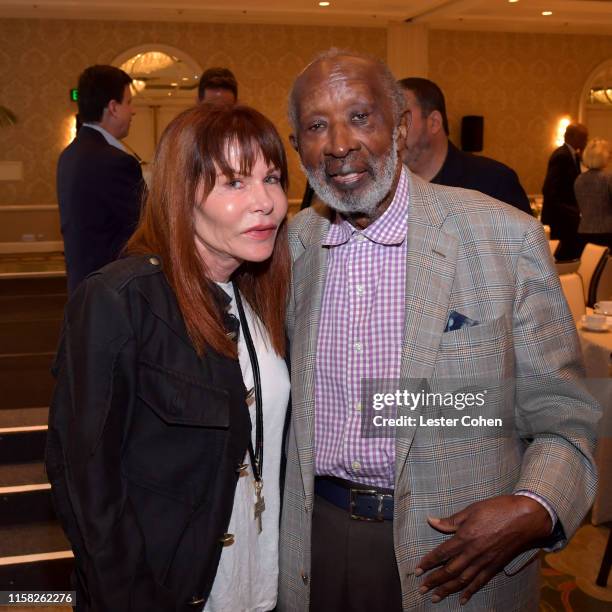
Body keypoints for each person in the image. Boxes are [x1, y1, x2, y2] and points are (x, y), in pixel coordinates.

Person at [279, 49, 599, 611]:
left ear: (401, 127)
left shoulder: (503, 237)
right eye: (315, 126)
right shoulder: (284, 251)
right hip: (311, 548)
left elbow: (566, 417)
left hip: (460, 561)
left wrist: (534, 503)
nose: (338, 145)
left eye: (360, 117)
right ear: (297, 144)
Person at [46, 104, 291, 611]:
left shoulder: (258, 295)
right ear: (182, 195)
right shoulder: (120, 300)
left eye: (271, 178)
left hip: (257, 583)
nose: (265, 202)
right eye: (234, 183)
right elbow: (86, 483)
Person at [57, 65, 145, 294]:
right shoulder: (115, 162)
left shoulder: (69, 154)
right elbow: (144, 228)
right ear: (113, 108)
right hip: (112, 293)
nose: (133, 111)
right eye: (129, 102)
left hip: (82, 287)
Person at [397, 77, 532, 216]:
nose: (393, 131)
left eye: (401, 119)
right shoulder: (387, 191)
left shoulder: (494, 183)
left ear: (434, 123)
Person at [541, 123, 589, 261]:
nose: (586, 141)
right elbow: (549, 190)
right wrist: (574, 211)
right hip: (560, 220)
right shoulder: (562, 156)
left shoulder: (573, 156)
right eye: (584, 138)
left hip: (565, 218)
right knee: (563, 257)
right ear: (574, 137)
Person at [575, 137, 612, 250]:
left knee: (589, 265)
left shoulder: (579, 179)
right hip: (606, 231)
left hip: (583, 230)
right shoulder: (608, 178)